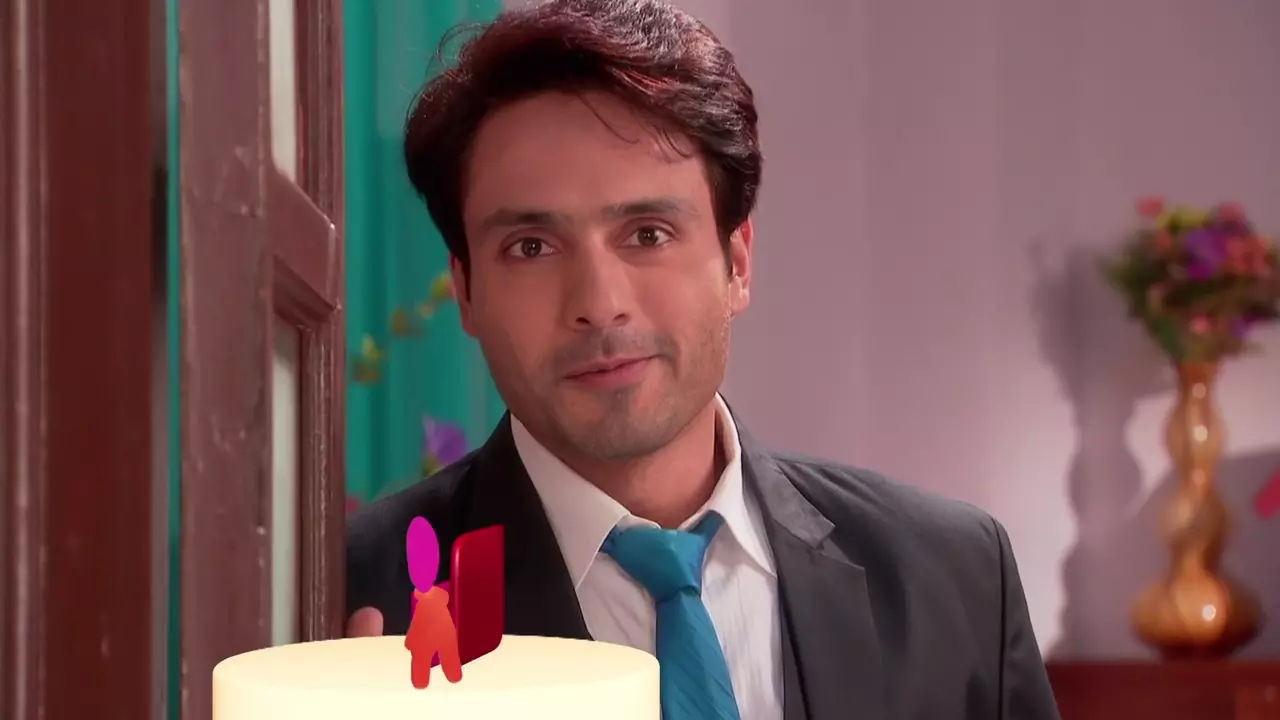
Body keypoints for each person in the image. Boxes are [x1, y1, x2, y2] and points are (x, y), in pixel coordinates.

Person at [346, 1, 1061, 718]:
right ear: (466, 291)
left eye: (648, 234)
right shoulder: (349, 599)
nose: (599, 303)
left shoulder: (955, 581)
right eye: (531, 247)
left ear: (737, 262)